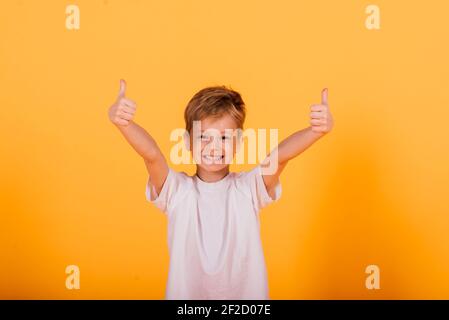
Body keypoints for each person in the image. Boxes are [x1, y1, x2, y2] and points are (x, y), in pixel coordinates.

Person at [108, 80, 334, 299]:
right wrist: (124, 123)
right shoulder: (177, 191)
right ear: (187, 142)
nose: (214, 146)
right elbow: (151, 154)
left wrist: (315, 131)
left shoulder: (248, 189)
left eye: (224, 137)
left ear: (239, 142)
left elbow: (280, 156)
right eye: (204, 137)